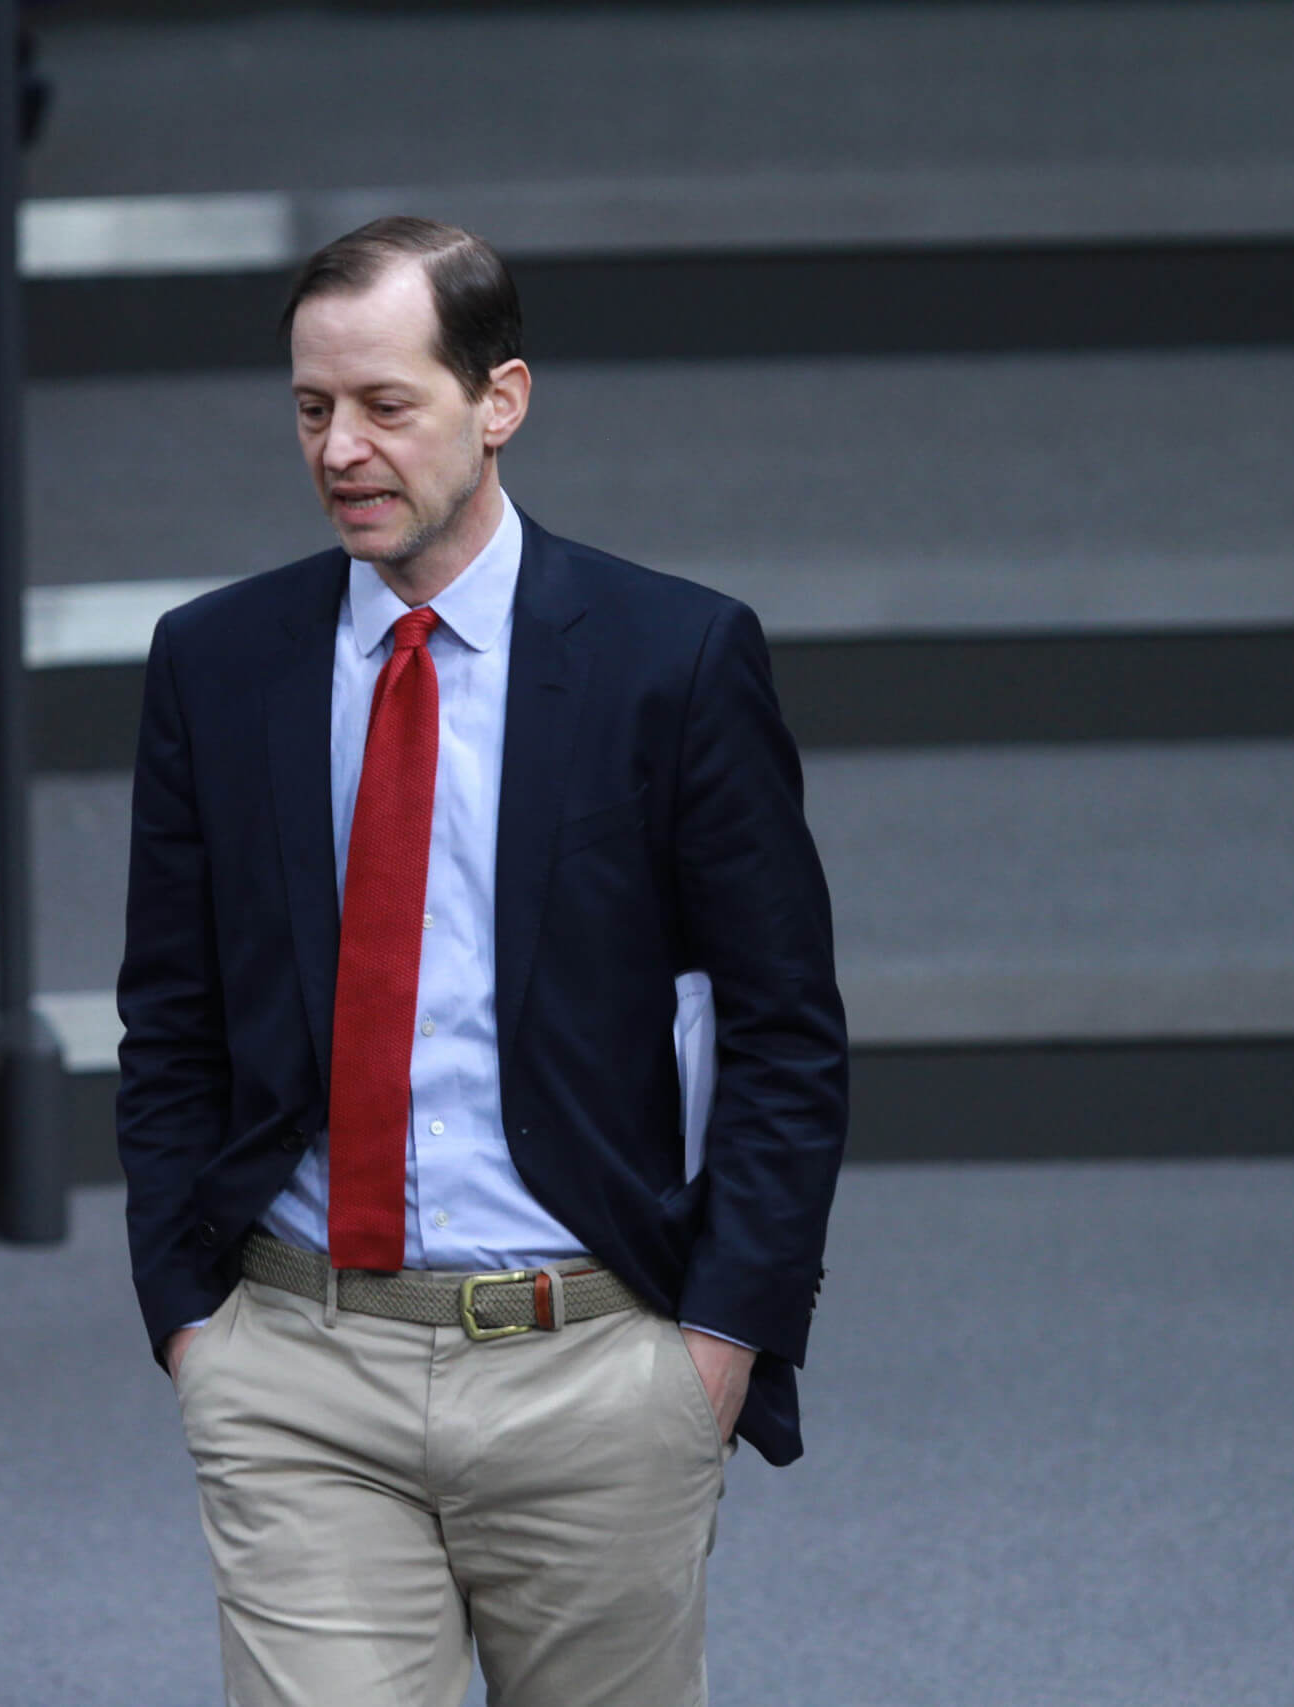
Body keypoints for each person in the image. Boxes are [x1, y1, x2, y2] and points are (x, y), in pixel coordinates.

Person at [116, 216, 849, 1707]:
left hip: (592, 1363)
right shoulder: (219, 662)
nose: (341, 449)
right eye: (314, 410)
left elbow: (785, 1032)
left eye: (387, 405)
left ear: (499, 400)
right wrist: (197, 1330)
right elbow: (171, 1021)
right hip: (300, 1363)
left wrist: (717, 1344)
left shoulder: (676, 659)